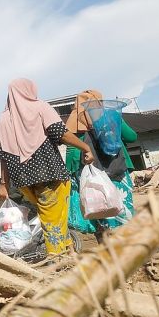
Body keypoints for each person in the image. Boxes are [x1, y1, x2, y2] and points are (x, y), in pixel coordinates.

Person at [0, 78, 95, 256]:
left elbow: (2, 155)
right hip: (48, 174)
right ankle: (56, 258)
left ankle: (69, 251)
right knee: (52, 217)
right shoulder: (40, 107)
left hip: (23, 180)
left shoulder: (2, 120)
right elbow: (61, 133)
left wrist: (4, 183)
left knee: (55, 215)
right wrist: (85, 148)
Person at [64, 90, 138, 242]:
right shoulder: (111, 116)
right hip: (117, 170)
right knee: (122, 210)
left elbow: (71, 155)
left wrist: (73, 174)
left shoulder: (73, 122)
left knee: (98, 209)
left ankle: (106, 247)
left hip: (91, 175)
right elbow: (132, 137)